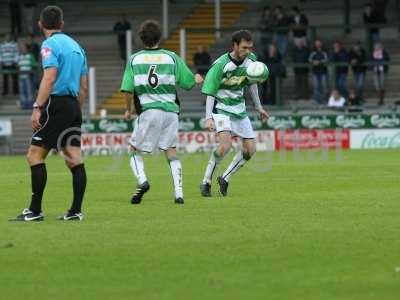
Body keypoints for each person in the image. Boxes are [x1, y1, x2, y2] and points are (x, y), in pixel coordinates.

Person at [10, 6, 88, 222]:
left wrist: (37, 107)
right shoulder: (78, 47)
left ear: (40, 24)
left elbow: (50, 77)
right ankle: (75, 211)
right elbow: (84, 88)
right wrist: (75, 110)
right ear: (61, 24)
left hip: (56, 103)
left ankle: (35, 211)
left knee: (34, 155)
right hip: (73, 105)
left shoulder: (49, 45)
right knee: (74, 158)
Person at [120, 20, 203, 205]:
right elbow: (189, 82)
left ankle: (142, 181)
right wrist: (197, 78)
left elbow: (127, 90)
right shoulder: (171, 57)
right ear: (159, 38)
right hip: (171, 113)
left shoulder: (134, 59)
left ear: (141, 38)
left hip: (149, 111)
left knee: (133, 150)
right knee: (171, 151)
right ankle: (179, 193)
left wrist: (129, 110)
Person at [199, 30, 269, 197]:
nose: (248, 51)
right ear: (235, 46)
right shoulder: (220, 65)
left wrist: (259, 107)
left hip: (239, 109)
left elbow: (252, 85)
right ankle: (206, 182)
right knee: (225, 146)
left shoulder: (251, 61)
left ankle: (225, 178)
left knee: (250, 149)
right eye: (244, 47)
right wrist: (208, 117)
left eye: (250, 47)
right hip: (221, 108)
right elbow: (210, 92)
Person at [309, 39, 328, 103]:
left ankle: (324, 99)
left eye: (319, 43)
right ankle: (317, 100)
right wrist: (313, 61)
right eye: (317, 43)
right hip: (315, 71)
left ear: (321, 44)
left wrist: (319, 62)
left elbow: (327, 59)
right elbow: (309, 59)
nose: (318, 44)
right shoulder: (313, 51)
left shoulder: (325, 51)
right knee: (316, 86)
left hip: (323, 72)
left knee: (324, 86)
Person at [17, 43, 36, 109]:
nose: (22, 50)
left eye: (24, 48)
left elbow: (34, 65)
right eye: (21, 49)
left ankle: (30, 104)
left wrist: (30, 71)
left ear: (27, 49)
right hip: (21, 76)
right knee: (22, 92)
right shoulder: (19, 57)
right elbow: (18, 66)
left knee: (29, 91)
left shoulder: (30, 56)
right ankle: (24, 105)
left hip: (28, 77)